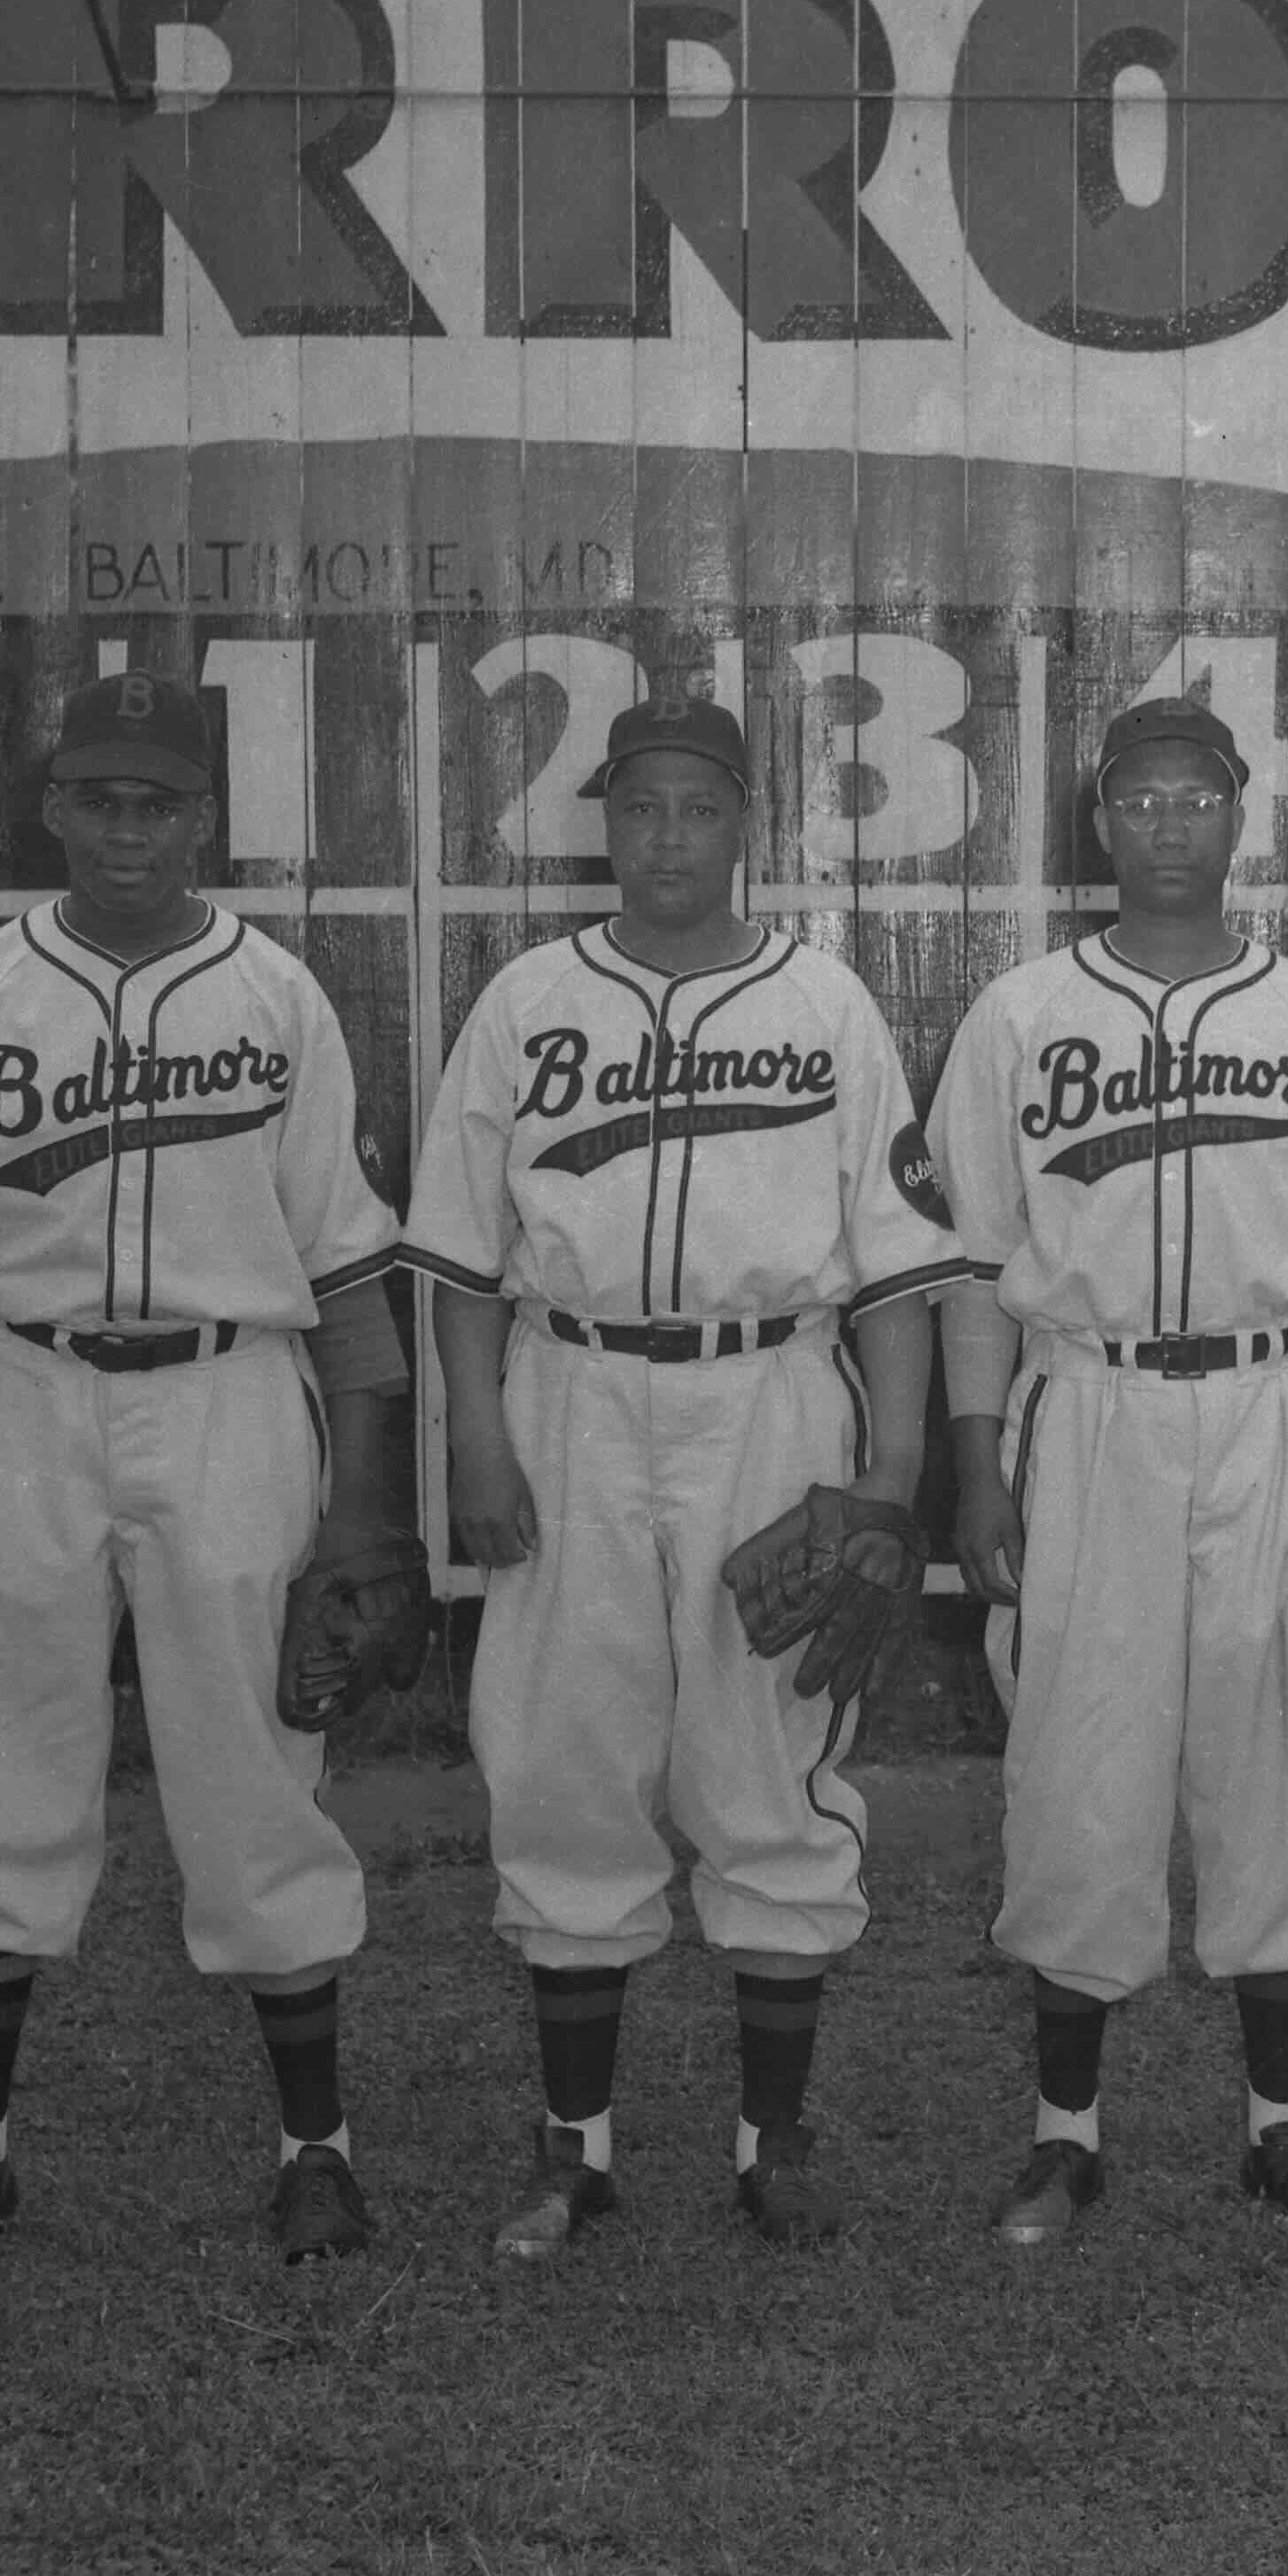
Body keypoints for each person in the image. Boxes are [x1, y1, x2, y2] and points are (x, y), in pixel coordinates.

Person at [0, 672, 415, 2269]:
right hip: (13, 1396)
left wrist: (361, 1509)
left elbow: (349, 1271)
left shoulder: (275, 996)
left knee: (252, 1771)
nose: (131, 827)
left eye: (161, 800)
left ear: (201, 818)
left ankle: (316, 2150)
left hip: (228, 1396)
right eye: (103, 797)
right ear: (54, 809)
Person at [401, 696, 958, 2259]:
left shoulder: (829, 1002)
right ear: (606, 827)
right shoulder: (525, 1000)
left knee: (765, 1758)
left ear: (742, 825)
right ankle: (571, 2155)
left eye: (694, 810)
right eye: (635, 811)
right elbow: (455, 1251)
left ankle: (770, 2145)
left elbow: (902, 1273)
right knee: (563, 1750)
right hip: (566, 1388)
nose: (663, 840)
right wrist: (474, 1439)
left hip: (771, 1392)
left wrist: (892, 1474)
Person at [928, 695, 1288, 2243]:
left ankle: (1283, 2126)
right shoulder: (1018, 1016)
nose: (1165, 826)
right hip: (1089, 1411)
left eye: (1192, 798)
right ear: (1100, 823)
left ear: (1238, 814)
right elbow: (969, 1267)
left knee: (1276, 1752)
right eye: (1136, 801)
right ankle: (1066, 2136)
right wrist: (976, 1474)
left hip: (1280, 1408)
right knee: (1078, 1763)